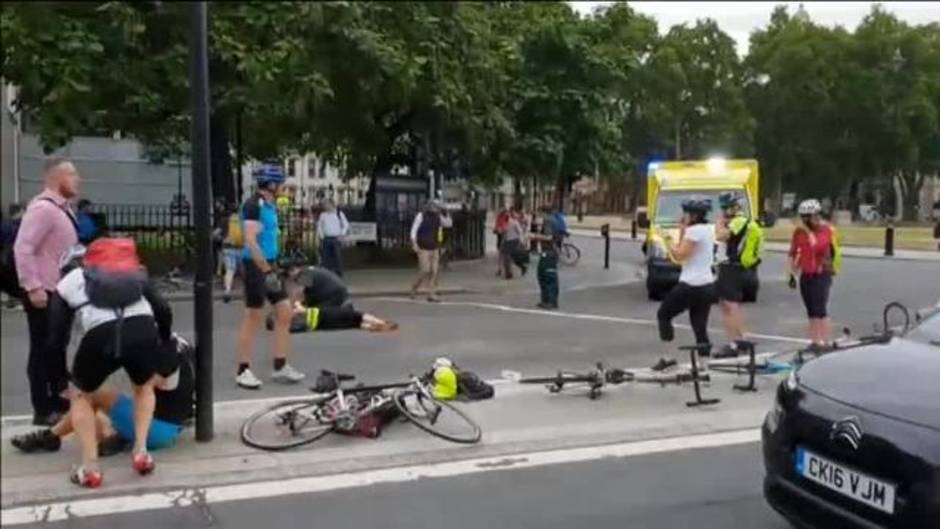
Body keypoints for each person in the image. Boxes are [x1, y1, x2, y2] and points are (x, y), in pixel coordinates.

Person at [45, 240, 177, 487]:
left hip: (101, 335)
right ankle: (141, 452)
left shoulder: (68, 281)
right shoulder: (130, 271)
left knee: (81, 396)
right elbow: (162, 307)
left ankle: (90, 467)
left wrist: (59, 377)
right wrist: (165, 338)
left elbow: (54, 337)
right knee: (143, 387)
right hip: (142, 327)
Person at [11, 334, 194, 458]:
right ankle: (52, 437)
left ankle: (51, 437)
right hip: (171, 425)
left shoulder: (160, 351)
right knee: (97, 396)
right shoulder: (176, 343)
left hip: (157, 430)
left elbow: (148, 384)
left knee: (89, 396)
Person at [13, 158, 81, 426]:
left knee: (56, 347)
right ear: (56, 177)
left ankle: (58, 398)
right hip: (44, 290)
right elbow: (23, 247)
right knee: (42, 349)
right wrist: (33, 287)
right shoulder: (43, 208)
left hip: (60, 291)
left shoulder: (63, 209)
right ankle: (43, 408)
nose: (78, 180)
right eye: (72, 175)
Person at [235, 165, 306, 390]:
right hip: (255, 265)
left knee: (284, 312)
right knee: (253, 316)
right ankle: (243, 370)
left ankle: (280, 365)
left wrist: (276, 266)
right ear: (271, 184)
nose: (283, 187)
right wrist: (266, 270)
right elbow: (251, 241)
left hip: (270, 264)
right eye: (281, 183)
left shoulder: (270, 205)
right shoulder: (253, 205)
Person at [654, 197, 717, 367]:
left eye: (686, 213)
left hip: (691, 284)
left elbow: (680, 256)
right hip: (707, 284)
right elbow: (687, 247)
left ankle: (668, 358)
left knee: (664, 314)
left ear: (694, 215)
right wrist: (682, 230)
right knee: (699, 324)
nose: (683, 216)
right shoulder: (707, 229)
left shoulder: (694, 231)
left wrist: (667, 241)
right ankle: (704, 364)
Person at [714, 192, 764, 358]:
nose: (724, 210)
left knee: (730, 306)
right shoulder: (745, 221)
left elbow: (721, 236)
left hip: (731, 268)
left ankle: (734, 343)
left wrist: (719, 223)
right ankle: (742, 339)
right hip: (738, 268)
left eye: (726, 207)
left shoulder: (738, 221)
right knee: (731, 305)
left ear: (735, 207)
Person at [788, 199, 842, 350]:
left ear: (816, 215)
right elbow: (794, 252)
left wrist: (810, 234)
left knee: (820, 309)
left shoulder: (826, 230)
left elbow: (818, 247)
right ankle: (815, 341)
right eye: (803, 217)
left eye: (809, 216)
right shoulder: (799, 233)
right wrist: (792, 273)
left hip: (821, 274)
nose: (805, 220)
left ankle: (825, 342)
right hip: (806, 275)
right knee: (811, 310)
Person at [410, 200, 446, 302]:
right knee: (425, 270)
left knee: (434, 271)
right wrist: (414, 244)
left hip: (434, 247)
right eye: (435, 207)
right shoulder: (421, 216)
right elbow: (414, 230)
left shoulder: (439, 217)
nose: (436, 209)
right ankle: (414, 287)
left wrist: (446, 213)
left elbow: (447, 224)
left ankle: (431, 294)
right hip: (423, 247)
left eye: (438, 208)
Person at [529, 206, 561, 310]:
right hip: (551, 252)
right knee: (545, 275)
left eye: (539, 213)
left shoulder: (548, 221)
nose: (538, 215)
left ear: (543, 212)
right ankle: (547, 300)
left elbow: (549, 237)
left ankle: (550, 301)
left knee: (546, 276)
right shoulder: (554, 220)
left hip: (548, 252)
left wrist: (535, 236)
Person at [317, 198, 349, 277]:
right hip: (326, 238)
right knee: (326, 257)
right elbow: (319, 226)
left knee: (337, 257)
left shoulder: (339, 214)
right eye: (324, 205)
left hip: (336, 238)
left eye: (326, 204)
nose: (325, 206)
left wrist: (342, 234)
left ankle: (339, 273)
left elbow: (345, 224)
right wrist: (321, 236)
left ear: (331, 204)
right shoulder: (323, 215)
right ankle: (326, 273)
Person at [500, 207, 528, 279]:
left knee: (513, 258)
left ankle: (521, 268)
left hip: (513, 241)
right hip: (507, 241)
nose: (507, 215)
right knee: (506, 258)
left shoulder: (514, 222)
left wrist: (521, 241)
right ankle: (509, 273)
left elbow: (520, 231)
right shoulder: (505, 222)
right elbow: (504, 232)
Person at [494, 208, 511, 276]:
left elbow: (497, 228)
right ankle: (502, 269)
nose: (507, 214)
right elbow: (497, 228)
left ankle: (501, 269)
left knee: (502, 255)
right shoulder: (502, 219)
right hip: (503, 238)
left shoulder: (506, 219)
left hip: (504, 238)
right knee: (503, 254)